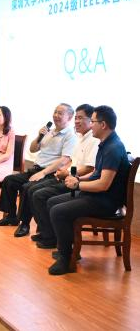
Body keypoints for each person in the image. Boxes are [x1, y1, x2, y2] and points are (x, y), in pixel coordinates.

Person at [44, 105, 129, 275]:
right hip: (97, 196)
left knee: (58, 211)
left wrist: (77, 185)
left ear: (103, 125)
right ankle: (69, 251)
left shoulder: (113, 148)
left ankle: (66, 260)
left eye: (93, 121)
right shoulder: (105, 143)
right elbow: (96, 174)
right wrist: (78, 179)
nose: (91, 124)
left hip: (105, 202)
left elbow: (103, 184)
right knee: (52, 202)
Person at [0, 104, 77, 234]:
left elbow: (64, 160)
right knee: (9, 180)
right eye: (55, 112)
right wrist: (39, 136)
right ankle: (11, 216)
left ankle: (24, 223)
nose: (56, 115)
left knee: (27, 187)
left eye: (60, 113)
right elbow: (32, 149)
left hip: (50, 173)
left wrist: (43, 173)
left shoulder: (70, 135)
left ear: (69, 117)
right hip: (36, 169)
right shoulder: (49, 131)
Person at [28, 104, 100, 245]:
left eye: (80, 118)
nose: (76, 121)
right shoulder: (81, 137)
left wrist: (67, 173)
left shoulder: (94, 139)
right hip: (68, 177)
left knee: (39, 195)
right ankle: (46, 231)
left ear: (91, 120)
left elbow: (89, 168)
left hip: (78, 182)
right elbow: (72, 160)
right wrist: (63, 171)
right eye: (76, 118)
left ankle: (51, 236)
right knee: (32, 189)